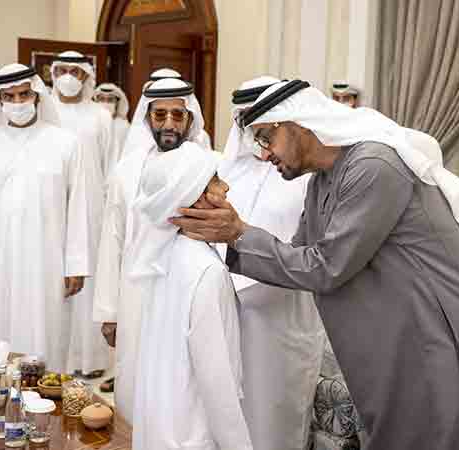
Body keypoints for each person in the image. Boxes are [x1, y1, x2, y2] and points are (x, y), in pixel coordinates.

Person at [172, 80, 459, 449]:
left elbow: (326, 267)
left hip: (444, 344)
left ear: (297, 124)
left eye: (267, 138)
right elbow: (298, 257)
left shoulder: (374, 166)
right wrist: (233, 238)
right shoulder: (321, 183)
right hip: (402, 345)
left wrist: (237, 234)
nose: (265, 155)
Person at [0, 64, 90, 372]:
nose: (18, 102)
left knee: (46, 339)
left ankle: (46, 406)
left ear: (37, 95)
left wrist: (76, 264)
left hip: (47, 262)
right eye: (9, 96)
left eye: (24, 94)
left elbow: (77, 207)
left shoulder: (65, 143)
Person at [216, 76, 325, 450]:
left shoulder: (306, 174)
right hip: (225, 314)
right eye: (244, 120)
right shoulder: (226, 173)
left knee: (274, 424)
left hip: (283, 322)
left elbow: (316, 257)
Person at [93, 77, 209, 424]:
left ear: (190, 119)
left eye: (178, 114)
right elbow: (111, 240)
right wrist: (108, 311)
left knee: (180, 383)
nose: (169, 123)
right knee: (136, 377)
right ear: (147, 119)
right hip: (135, 296)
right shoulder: (126, 171)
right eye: (160, 115)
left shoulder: (207, 166)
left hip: (186, 293)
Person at [130, 143, 252, 450]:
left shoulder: (159, 257)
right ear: (194, 196)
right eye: (214, 180)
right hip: (192, 436)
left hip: (159, 429)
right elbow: (217, 381)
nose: (225, 187)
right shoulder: (206, 271)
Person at [50, 50, 112, 377]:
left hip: (91, 209)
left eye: (77, 70)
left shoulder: (100, 116)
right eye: (63, 69)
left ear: (87, 76)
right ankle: (54, 356)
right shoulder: (45, 112)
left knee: (86, 280)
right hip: (52, 205)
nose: (69, 76)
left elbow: (109, 165)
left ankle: (88, 359)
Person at [94, 83, 131, 178]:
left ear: (117, 103)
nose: (105, 103)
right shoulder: (90, 124)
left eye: (110, 100)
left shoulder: (123, 127)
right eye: (101, 99)